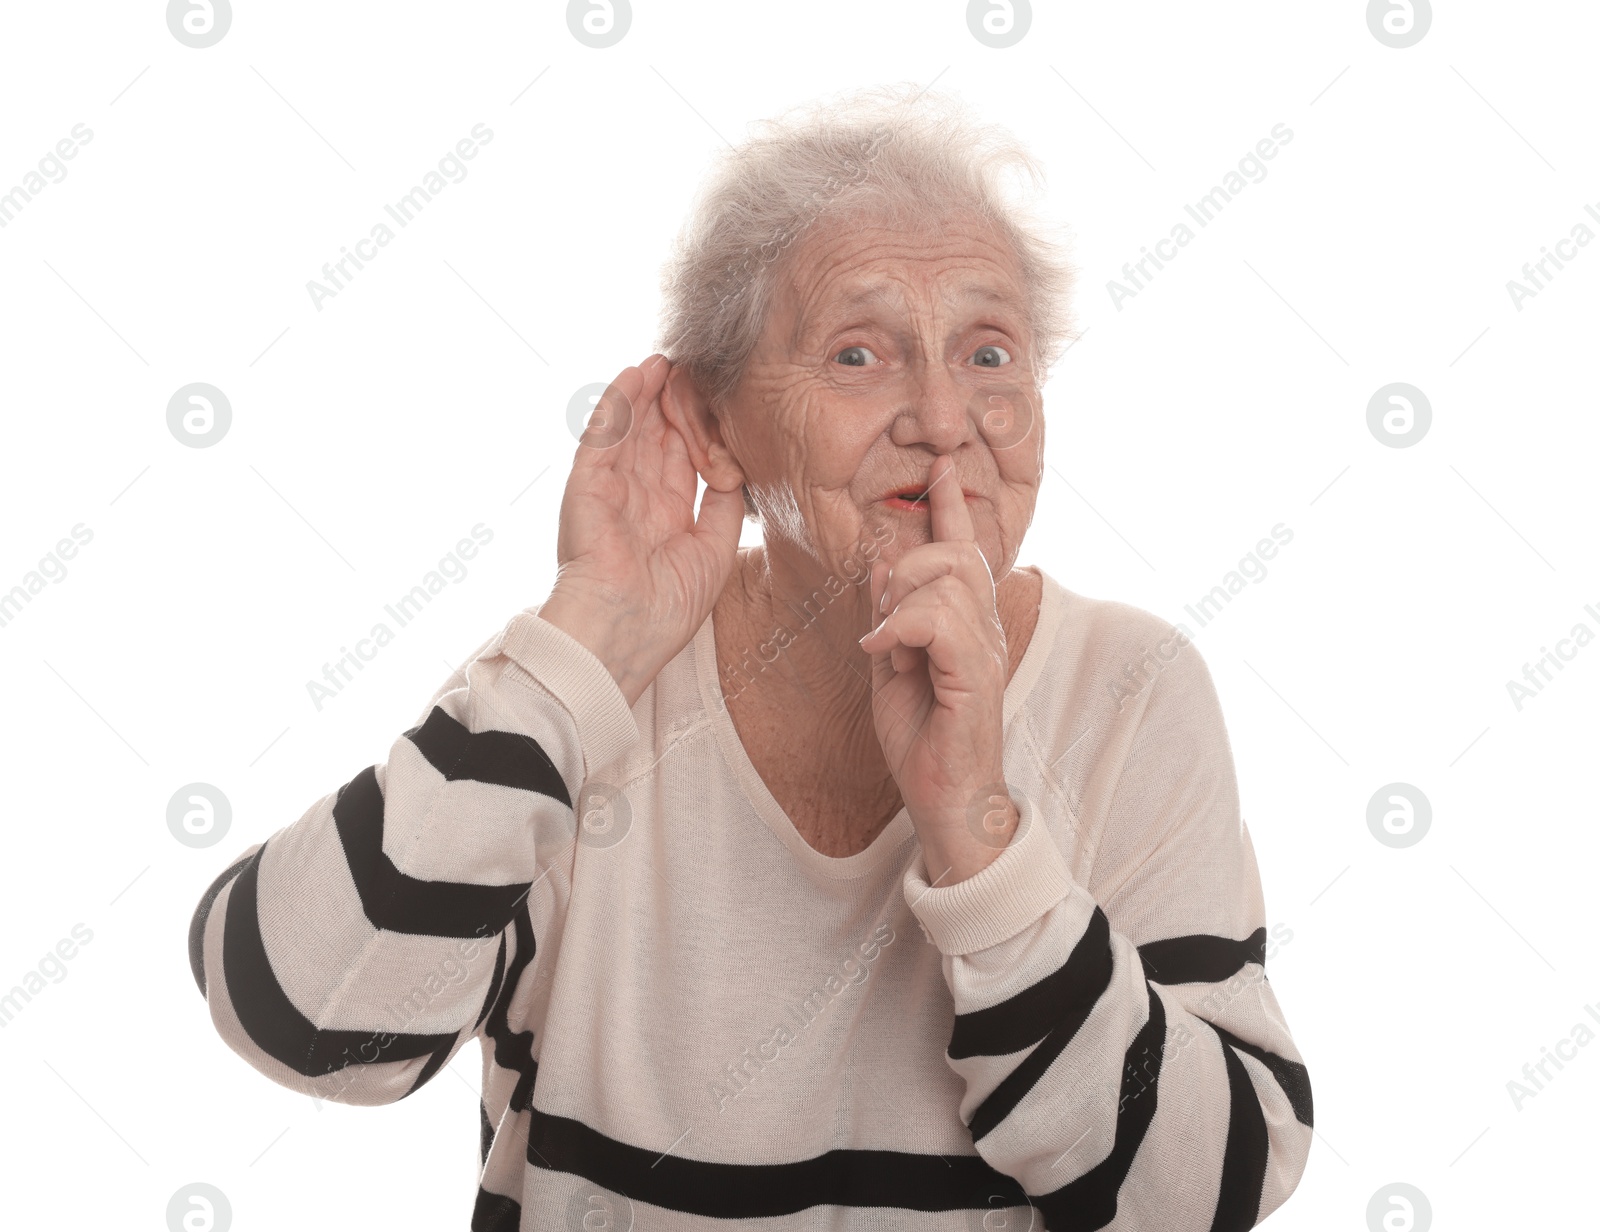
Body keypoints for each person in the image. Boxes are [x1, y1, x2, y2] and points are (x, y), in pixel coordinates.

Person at [188, 84, 1311, 1230]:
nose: (940, 415)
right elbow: (313, 1024)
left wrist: (979, 832)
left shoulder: (1131, 687)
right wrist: (585, 636)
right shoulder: (580, 693)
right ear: (720, 423)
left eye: (987, 352)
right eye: (858, 352)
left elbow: (1202, 1194)